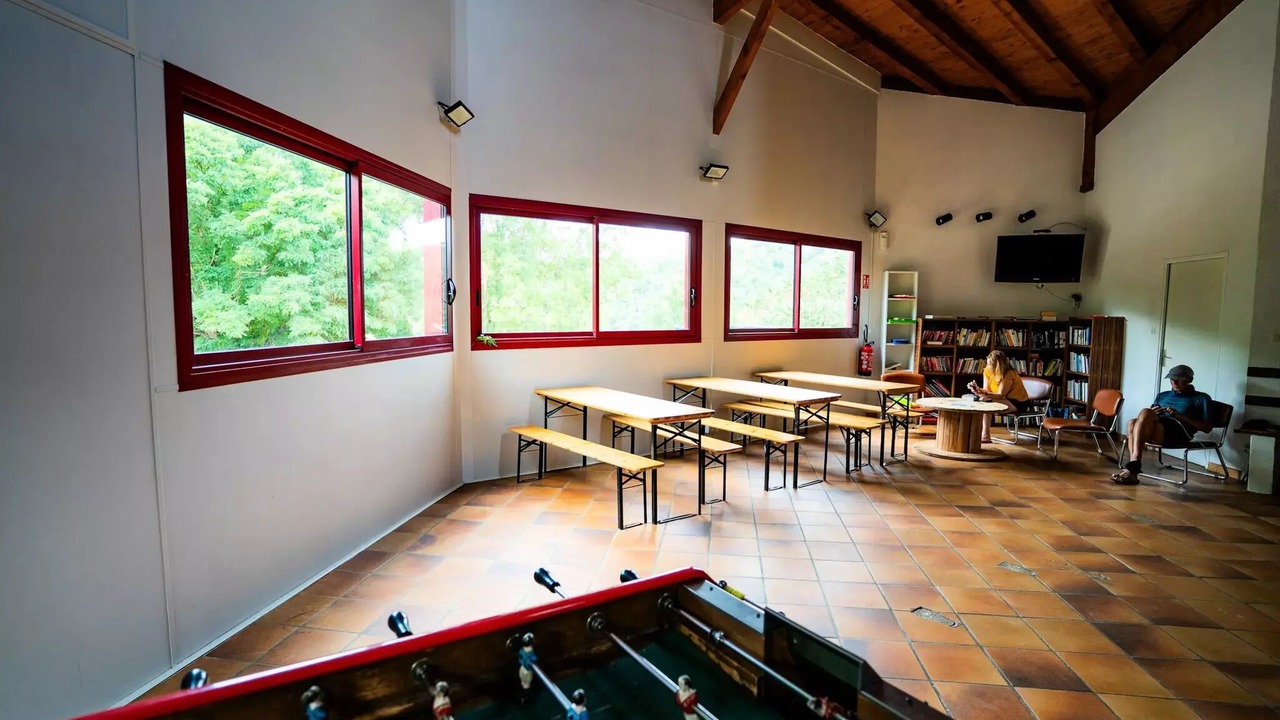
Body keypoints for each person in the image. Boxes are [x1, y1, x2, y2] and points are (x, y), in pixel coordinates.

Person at [1112, 364, 1214, 485]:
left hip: (1178, 433)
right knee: (1132, 422)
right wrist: (1154, 412)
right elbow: (1149, 417)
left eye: (1179, 379)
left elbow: (1207, 428)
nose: (1174, 382)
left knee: (1144, 413)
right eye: (1171, 379)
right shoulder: (1162, 395)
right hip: (1160, 429)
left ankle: (1133, 465)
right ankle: (1133, 470)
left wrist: (1179, 416)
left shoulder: (1202, 398)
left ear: (1189, 380)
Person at [966, 350, 1030, 443]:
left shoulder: (1009, 373)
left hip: (1018, 402)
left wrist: (983, 394)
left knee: (985, 402)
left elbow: (1001, 394)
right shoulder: (987, 371)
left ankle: (985, 435)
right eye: (987, 363)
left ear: (998, 365)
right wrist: (977, 390)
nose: (987, 366)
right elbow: (987, 391)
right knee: (983, 400)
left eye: (990, 364)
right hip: (1003, 399)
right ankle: (981, 434)